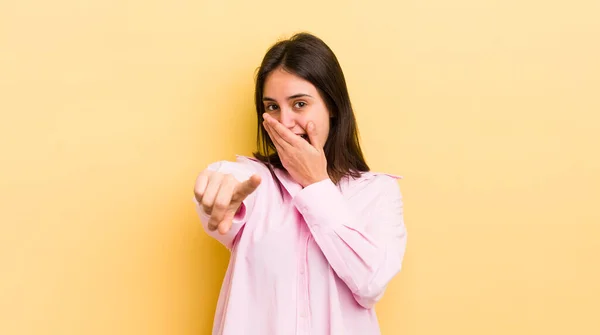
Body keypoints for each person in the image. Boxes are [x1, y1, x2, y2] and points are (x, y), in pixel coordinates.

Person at [193, 32, 407, 335]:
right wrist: (216, 189)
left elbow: (371, 283)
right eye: (272, 108)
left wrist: (316, 183)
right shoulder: (256, 183)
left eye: (300, 104)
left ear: (331, 105)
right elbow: (228, 181)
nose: (285, 123)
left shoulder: (377, 193)